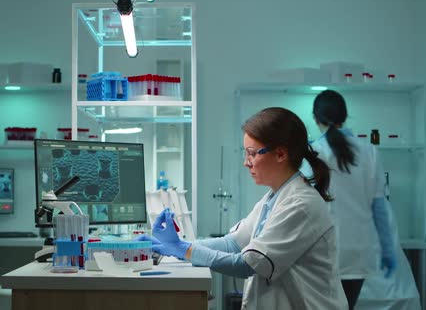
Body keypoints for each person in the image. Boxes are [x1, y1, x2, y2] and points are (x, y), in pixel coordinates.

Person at [141, 107, 348, 309]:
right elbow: (232, 244)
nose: (246, 163)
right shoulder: (274, 197)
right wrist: (176, 247)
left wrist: (184, 249)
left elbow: (246, 265)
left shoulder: (301, 204)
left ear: (280, 154)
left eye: (252, 153)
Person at [304, 90, 396, 310]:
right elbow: (380, 208)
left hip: (323, 253)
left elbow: (304, 207)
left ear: (316, 119)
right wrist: (388, 249)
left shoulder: (315, 152)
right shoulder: (369, 152)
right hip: (358, 252)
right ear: (344, 117)